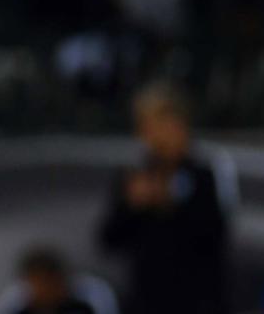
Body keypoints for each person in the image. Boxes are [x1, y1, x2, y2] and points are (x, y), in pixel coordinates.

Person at [97, 81, 236, 314]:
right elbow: (108, 239)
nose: (160, 135)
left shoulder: (205, 175)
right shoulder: (134, 176)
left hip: (198, 302)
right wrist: (132, 206)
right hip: (147, 301)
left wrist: (171, 201)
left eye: (166, 124)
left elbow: (216, 236)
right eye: (151, 126)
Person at [0, 247, 118, 314]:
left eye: (48, 282)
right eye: (37, 283)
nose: (44, 289)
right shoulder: (19, 310)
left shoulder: (84, 306)